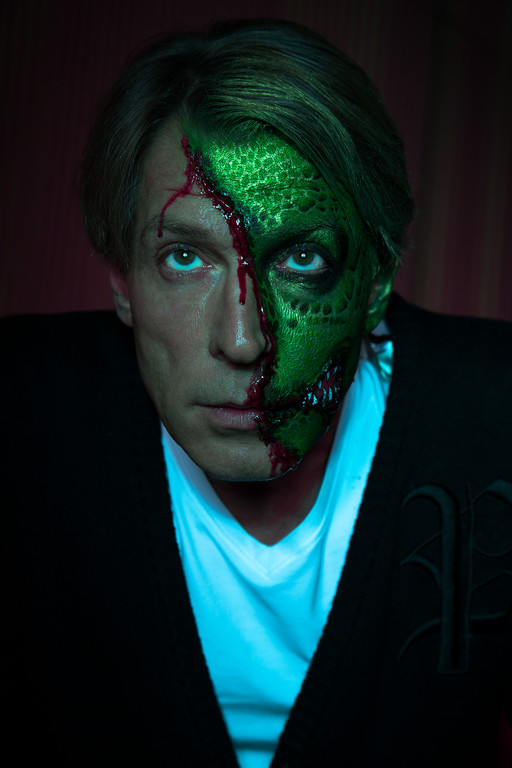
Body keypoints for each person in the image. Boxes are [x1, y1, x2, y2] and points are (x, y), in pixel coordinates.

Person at [2, 18, 511, 768]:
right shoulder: (22, 418)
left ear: (375, 281)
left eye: (302, 259)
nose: (243, 341)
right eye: (184, 258)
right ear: (122, 283)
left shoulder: (495, 417)